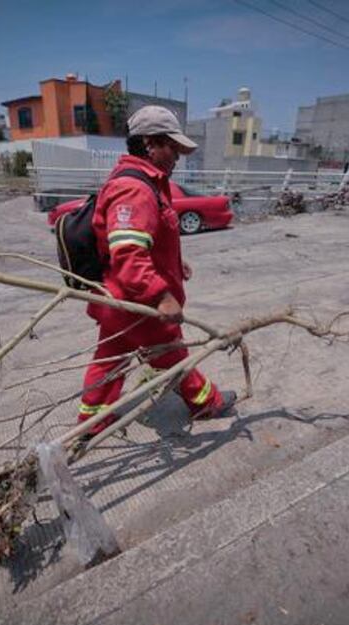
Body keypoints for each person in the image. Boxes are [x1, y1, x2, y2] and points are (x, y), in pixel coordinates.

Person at [77, 105, 235, 437]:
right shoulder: (134, 188)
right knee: (172, 356)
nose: (178, 156)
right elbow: (129, 255)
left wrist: (176, 265)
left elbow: (145, 242)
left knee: (108, 361)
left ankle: (90, 423)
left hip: (118, 303)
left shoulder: (141, 182)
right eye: (172, 147)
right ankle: (207, 402)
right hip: (139, 306)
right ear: (150, 143)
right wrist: (161, 297)